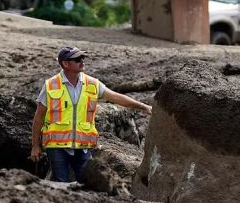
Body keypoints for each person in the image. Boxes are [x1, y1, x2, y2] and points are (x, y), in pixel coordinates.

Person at [30, 46, 152, 183]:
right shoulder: (51, 85)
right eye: (77, 59)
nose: (82, 61)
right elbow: (39, 117)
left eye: (83, 58)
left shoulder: (92, 84)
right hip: (57, 146)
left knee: (89, 184)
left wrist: (143, 107)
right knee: (60, 183)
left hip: (82, 146)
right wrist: (35, 146)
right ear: (65, 64)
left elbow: (116, 97)